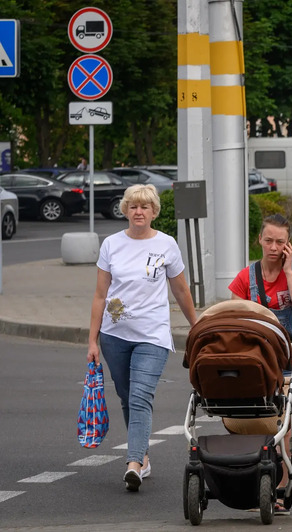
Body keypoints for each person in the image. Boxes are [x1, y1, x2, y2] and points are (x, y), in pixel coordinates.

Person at [87, 184, 197, 491]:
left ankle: (133, 463)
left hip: (153, 334)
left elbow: (181, 289)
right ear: (125, 210)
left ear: (153, 212)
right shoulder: (111, 244)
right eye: (133, 206)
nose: (139, 212)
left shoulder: (166, 244)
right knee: (127, 397)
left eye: (145, 207)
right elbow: (100, 294)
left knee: (139, 397)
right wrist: (93, 341)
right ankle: (143, 457)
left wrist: (196, 326)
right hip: (114, 335)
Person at [227, 214, 292, 515]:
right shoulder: (246, 277)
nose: (274, 247)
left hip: (290, 357)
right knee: (255, 417)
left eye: (280, 242)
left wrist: (288, 271)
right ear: (259, 241)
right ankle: (258, 478)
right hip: (256, 359)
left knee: (284, 419)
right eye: (269, 240)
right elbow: (233, 317)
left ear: (288, 244)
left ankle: (282, 480)